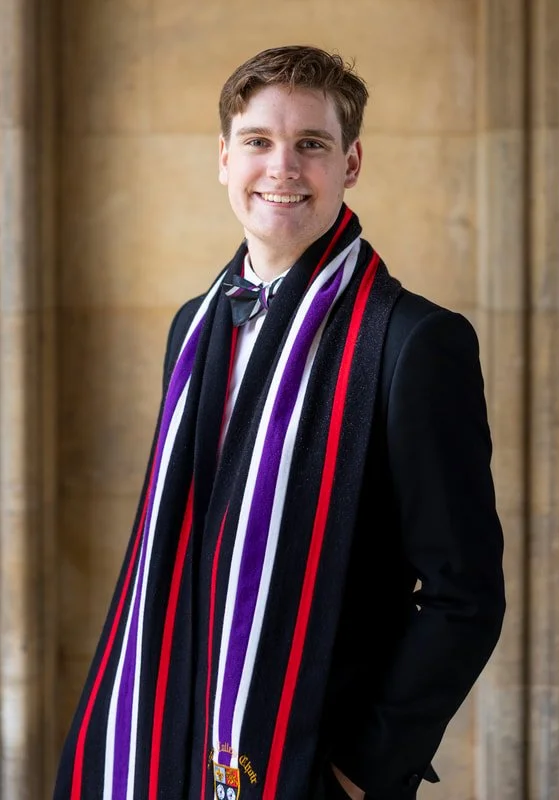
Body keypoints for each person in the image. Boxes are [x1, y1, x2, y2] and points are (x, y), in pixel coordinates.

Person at [54, 45, 505, 800]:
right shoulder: (192, 328)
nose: (283, 169)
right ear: (224, 159)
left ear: (351, 163)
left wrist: (359, 771)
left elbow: (466, 595)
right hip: (175, 749)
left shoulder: (414, 343)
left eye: (312, 145)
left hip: (306, 768)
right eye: (259, 142)